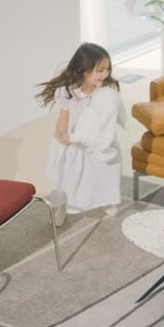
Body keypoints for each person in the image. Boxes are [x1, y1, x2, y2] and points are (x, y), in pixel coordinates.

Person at [37, 42, 123, 224]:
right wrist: (60, 134)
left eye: (107, 69)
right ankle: (62, 205)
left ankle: (106, 198)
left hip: (99, 139)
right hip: (75, 139)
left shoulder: (106, 91)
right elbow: (64, 116)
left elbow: (108, 116)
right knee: (69, 174)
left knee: (105, 169)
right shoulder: (68, 90)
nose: (105, 74)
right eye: (100, 70)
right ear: (84, 70)